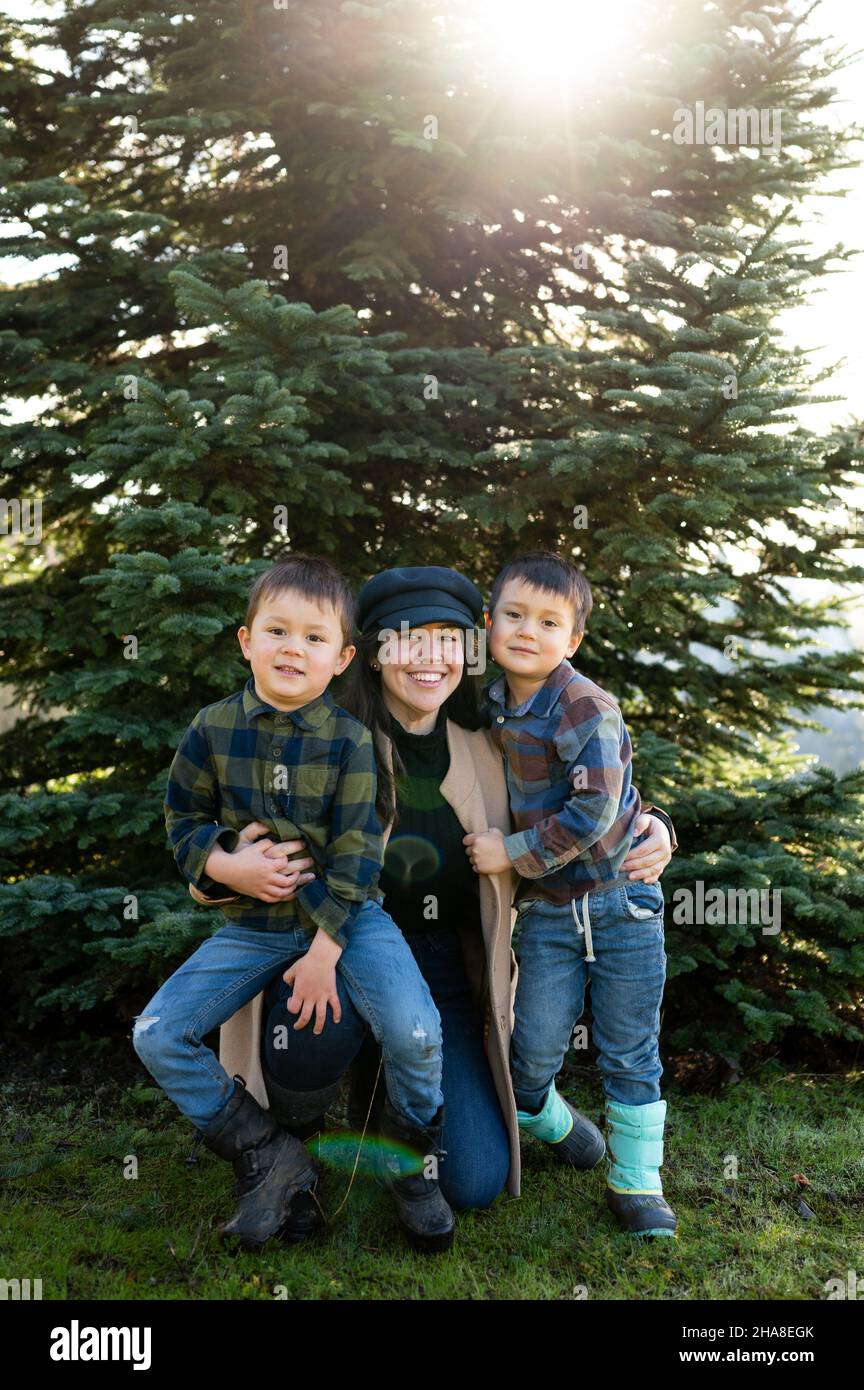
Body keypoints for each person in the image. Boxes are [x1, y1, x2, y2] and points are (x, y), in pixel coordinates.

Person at [209, 565, 677, 1231]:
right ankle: (290, 1148)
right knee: (307, 1030)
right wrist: (226, 865)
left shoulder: (487, 742)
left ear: (468, 651)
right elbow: (233, 822)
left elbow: (580, 792)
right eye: (406, 639)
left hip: (440, 974)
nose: (428, 657)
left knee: (474, 1180)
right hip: (335, 952)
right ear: (371, 653)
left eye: (446, 640)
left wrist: (656, 825)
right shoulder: (329, 736)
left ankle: (396, 1103)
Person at [132, 555, 454, 1254]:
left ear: (342, 659)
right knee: (156, 1032)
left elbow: (359, 859)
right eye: (277, 631)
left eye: (313, 638)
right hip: (253, 928)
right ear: (246, 640)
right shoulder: (211, 728)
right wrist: (224, 863)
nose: (292, 649)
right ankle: (266, 1153)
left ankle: (412, 1161)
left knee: (418, 1032)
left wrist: (322, 956)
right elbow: (181, 820)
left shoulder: (353, 744)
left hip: (350, 923)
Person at [464, 550, 676, 1238]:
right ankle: (560, 1125)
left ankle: (637, 1184)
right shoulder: (490, 702)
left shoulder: (586, 706)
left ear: (573, 640)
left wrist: (511, 854)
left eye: (548, 622)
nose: (528, 631)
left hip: (622, 903)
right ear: (489, 624)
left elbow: (593, 811)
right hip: (550, 915)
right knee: (531, 1052)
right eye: (514, 616)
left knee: (627, 1047)